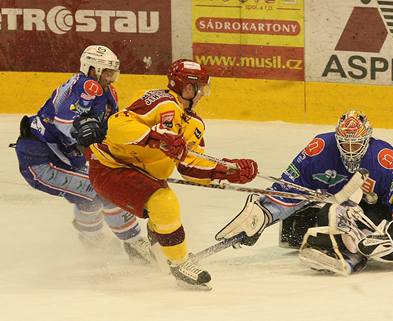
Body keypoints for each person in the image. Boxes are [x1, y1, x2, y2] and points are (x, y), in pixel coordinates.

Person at [86, 59, 258, 289]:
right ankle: (179, 264)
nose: (203, 94)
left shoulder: (194, 124)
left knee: (162, 210)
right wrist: (155, 137)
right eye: (201, 88)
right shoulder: (160, 101)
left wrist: (226, 170)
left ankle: (154, 248)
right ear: (188, 88)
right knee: (164, 202)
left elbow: (189, 166)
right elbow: (116, 126)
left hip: (142, 177)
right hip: (110, 167)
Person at [215, 110, 393, 275]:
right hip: (340, 203)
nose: (350, 150)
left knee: (346, 216)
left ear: (368, 139)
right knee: (325, 213)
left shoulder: (382, 156)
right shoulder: (320, 148)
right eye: (345, 143)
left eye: (357, 144)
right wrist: (265, 212)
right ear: (336, 138)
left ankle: (350, 253)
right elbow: (291, 186)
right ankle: (335, 244)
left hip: (375, 208)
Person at [13, 45, 152, 262]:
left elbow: (108, 129)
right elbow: (63, 122)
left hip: (63, 157)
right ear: (92, 69)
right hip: (41, 160)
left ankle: (92, 241)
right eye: (106, 72)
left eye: (112, 72)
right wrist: (85, 138)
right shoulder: (86, 86)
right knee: (103, 191)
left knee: (89, 197)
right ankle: (134, 243)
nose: (111, 77)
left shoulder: (106, 92)